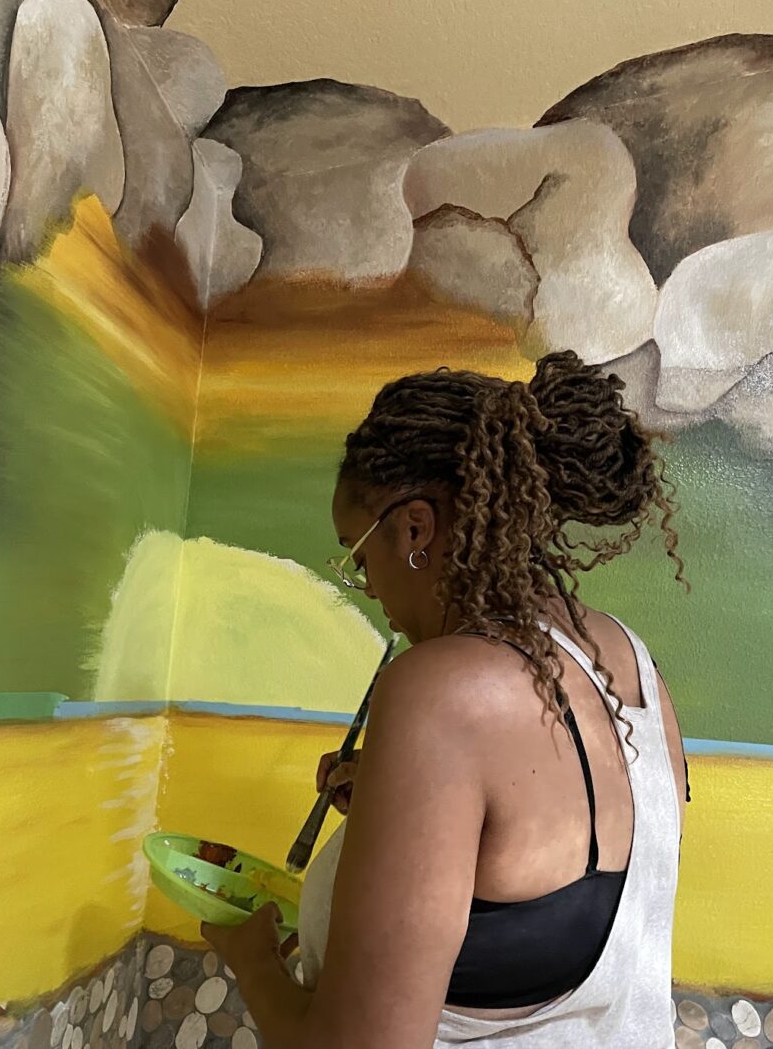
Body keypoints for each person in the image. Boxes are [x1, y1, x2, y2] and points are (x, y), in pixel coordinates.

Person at [203, 350, 691, 1048]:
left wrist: (250, 959)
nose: (370, 592)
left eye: (357, 557)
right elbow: (546, 854)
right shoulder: (627, 659)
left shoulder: (438, 692)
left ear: (414, 530)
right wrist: (422, 808)